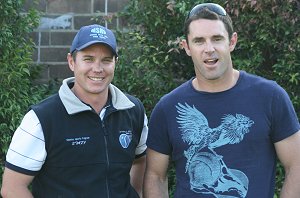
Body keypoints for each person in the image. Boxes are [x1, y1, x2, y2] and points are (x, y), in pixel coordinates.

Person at [143, 3, 300, 198]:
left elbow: (296, 165)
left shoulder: (270, 97)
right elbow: (155, 176)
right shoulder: (167, 108)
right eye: (199, 41)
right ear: (186, 47)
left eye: (217, 39)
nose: (209, 49)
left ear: (232, 42)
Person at [1, 24, 148, 198]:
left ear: (116, 62)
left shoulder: (133, 110)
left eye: (106, 60)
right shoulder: (42, 118)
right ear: (71, 61)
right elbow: (12, 188)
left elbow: (140, 160)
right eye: (88, 59)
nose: (98, 68)